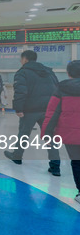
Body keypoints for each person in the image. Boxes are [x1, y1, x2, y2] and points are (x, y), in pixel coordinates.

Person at [4, 50, 61, 175]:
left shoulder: (22, 72)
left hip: (29, 110)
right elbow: (57, 89)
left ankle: (17, 157)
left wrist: (18, 108)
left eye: (21, 59)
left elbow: (20, 92)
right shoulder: (48, 72)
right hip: (48, 109)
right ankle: (55, 165)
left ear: (25, 59)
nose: (20, 61)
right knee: (49, 136)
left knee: (23, 133)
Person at [42, 60, 80, 204]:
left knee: (77, 162)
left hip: (71, 135)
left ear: (69, 73)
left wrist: (47, 133)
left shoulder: (62, 88)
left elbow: (52, 112)